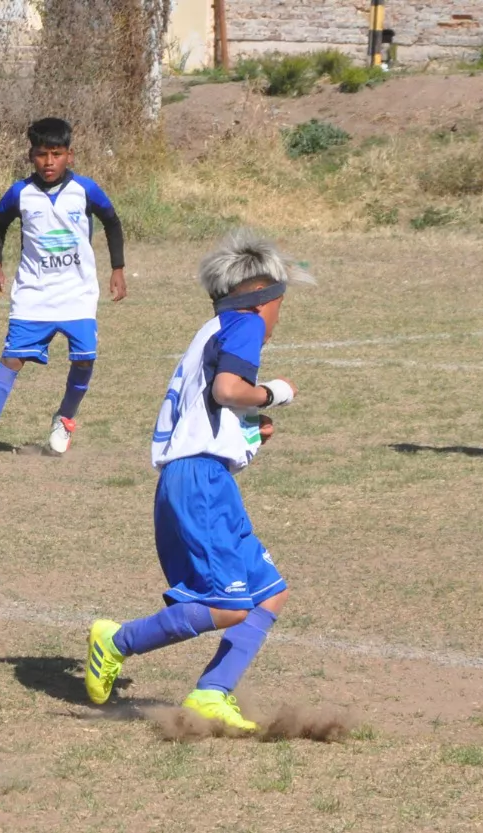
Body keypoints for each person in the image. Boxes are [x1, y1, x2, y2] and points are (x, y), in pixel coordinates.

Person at [84, 228, 312, 731]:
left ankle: (211, 692)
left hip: (205, 478)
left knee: (269, 593)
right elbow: (231, 389)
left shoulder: (211, 331)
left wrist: (250, 433)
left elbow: (210, 408)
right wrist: (272, 393)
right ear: (264, 298)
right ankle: (115, 641)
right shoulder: (246, 324)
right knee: (226, 606)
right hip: (199, 482)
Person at [0, 116, 126, 458]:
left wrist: (118, 269)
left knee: (84, 359)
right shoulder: (20, 193)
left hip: (78, 293)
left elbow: (112, 221)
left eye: (56, 153)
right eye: (41, 154)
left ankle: (64, 419)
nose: (48, 162)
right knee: (11, 360)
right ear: (30, 156)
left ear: (70, 155)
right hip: (33, 294)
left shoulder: (86, 190)